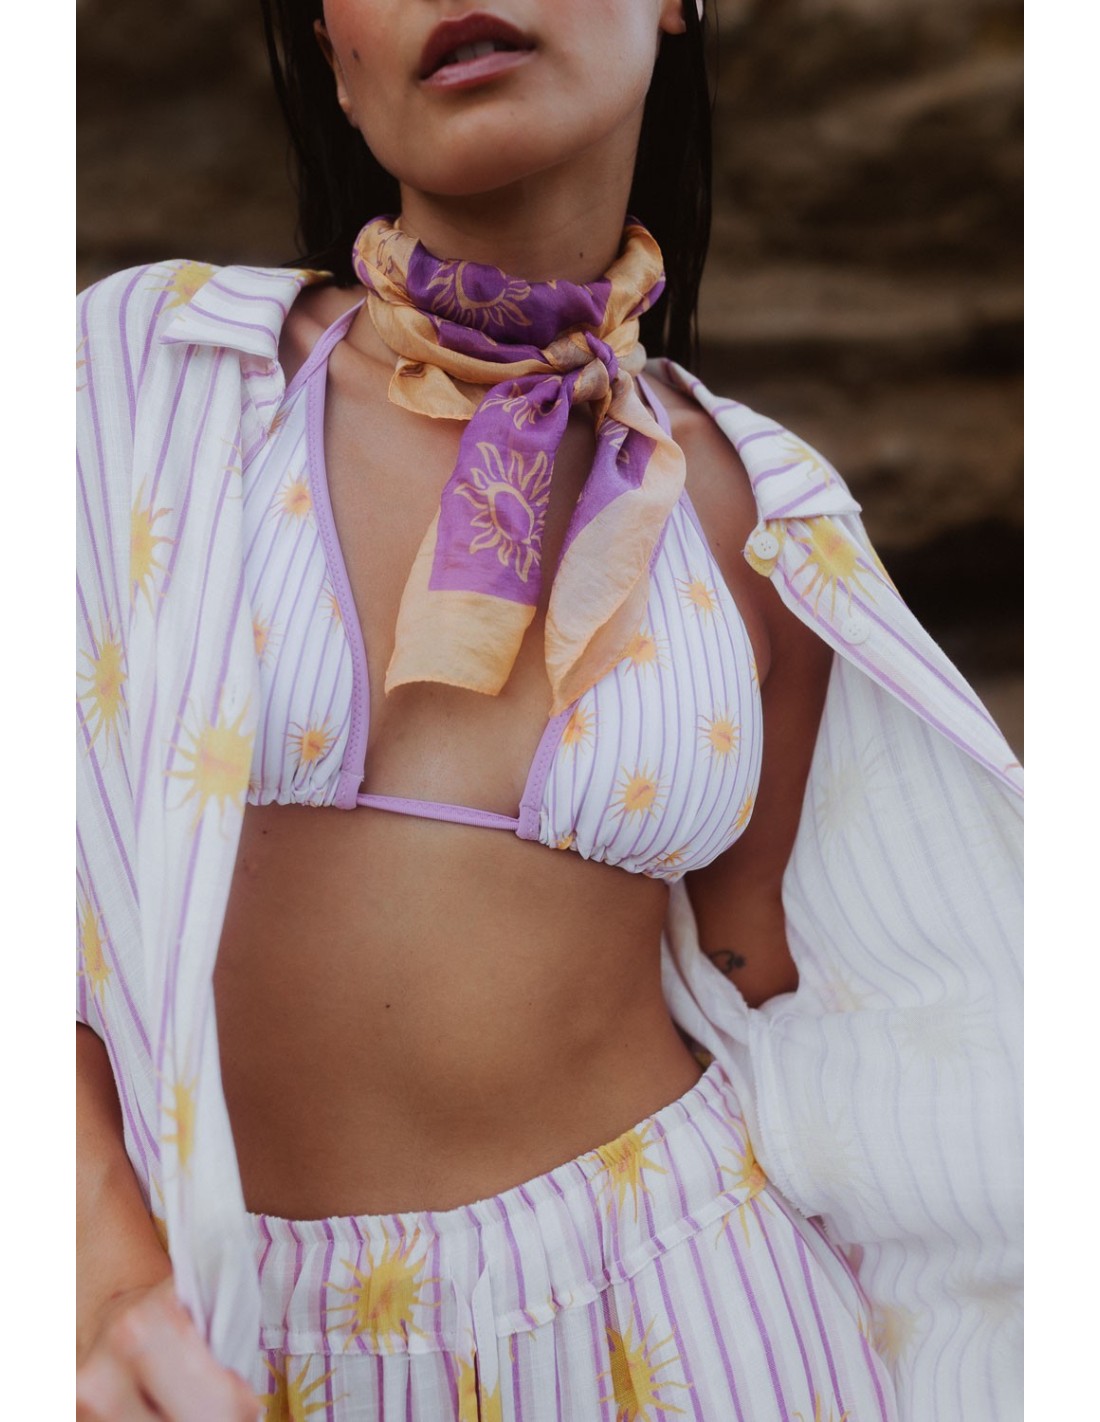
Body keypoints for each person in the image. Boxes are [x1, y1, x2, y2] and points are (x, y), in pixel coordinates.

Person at [75, 2, 1023, 1419]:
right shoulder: (142, 379)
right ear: (334, 62)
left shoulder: (760, 512)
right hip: (212, 1345)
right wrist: (94, 1268)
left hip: (696, 1324)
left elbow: (836, 1024)